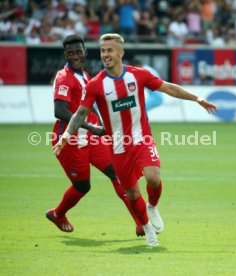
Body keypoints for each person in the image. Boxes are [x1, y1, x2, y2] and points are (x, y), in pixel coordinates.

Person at [53, 33, 217, 246]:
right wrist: (66, 135)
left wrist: (197, 98)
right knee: (130, 191)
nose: (105, 55)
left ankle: (152, 207)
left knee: (153, 177)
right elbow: (79, 113)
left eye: (110, 50)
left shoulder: (138, 75)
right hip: (117, 146)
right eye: (103, 51)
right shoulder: (96, 84)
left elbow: (168, 87)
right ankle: (147, 228)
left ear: (121, 52)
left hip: (141, 139)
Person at [46, 34, 145, 237]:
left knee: (117, 173)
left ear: (85, 52)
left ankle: (140, 223)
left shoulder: (86, 76)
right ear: (65, 55)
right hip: (70, 141)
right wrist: (92, 127)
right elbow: (60, 110)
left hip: (92, 139)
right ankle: (58, 214)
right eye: (70, 53)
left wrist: (101, 125)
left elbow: (90, 105)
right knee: (82, 186)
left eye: (78, 52)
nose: (75, 56)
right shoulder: (64, 77)